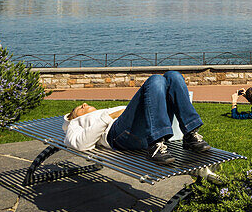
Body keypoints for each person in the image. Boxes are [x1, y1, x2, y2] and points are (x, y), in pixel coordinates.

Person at [63, 70, 211, 166]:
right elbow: (80, 144)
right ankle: (156, 143)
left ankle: (190, 134)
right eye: (79, 109)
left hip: (137, 128)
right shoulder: (74, 124)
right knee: (155, 80)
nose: (84, 104)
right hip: (117, 136)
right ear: (73, 117)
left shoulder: (103, 111)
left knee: (173, 76)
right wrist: (108, 117)